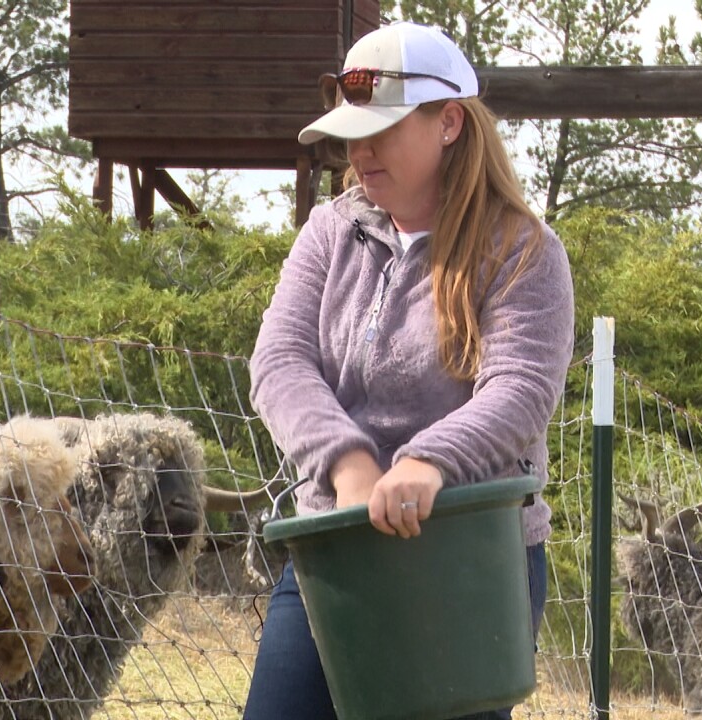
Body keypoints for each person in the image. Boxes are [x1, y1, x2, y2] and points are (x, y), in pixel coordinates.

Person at [243, 21, 575, 720]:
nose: (358, 150)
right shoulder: (328, 233)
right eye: (349, 131)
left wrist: (428, 463)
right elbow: (278, 360)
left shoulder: (523, 250)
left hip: (466, 560)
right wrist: (349, 464)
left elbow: (520, 391)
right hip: (335, 552)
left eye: (381, 129)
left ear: (449, 122)